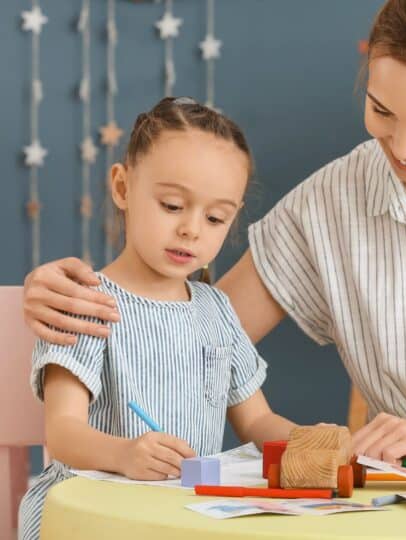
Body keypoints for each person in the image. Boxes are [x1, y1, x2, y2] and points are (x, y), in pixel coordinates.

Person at [22, 0, 406, 465]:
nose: (402, 147)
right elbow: (187, 325)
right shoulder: (333, 201)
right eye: (381, 110)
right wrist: (71, 293)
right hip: (402, 492)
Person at [18, 97, 300, 540]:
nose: (191, 228)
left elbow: (257, 422)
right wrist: (126, 454)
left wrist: (305, 442)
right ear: (123, 187)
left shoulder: (215, 310)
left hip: (182, 517)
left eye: (214, 217)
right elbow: (64, 432)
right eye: (172, 205)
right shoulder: (86, 302)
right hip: (94, 518)